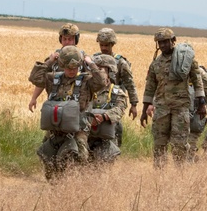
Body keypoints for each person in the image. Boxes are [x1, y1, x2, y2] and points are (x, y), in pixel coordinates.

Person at [30, 46, 106, 180]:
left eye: (75, 67)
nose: (72, 71)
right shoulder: (53, 79)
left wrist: (90, 63)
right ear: (61, 65)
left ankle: (73, 189)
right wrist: (50, 60)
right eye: (68, 67)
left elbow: (101, 81)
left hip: (77, 131)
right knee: (48, 162)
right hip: (55, 131)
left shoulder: (86, 81)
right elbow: (35, 78)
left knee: (78, 161)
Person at [140, 28, 206, 167]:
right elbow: (150, 87)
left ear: (173, 41)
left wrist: (201, 103)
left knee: (180, 143)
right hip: (161, 109)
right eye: (160, 42)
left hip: (180, 108)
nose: (163, 45)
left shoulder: (185, 60)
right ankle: (159, 174)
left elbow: (197, 81)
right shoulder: (155, 64)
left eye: (165, 42)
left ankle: (180, 173)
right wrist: (144, 111)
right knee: (159, 143)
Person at [94, 28, 140, 147]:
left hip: (114, 101)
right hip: (96, 101)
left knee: (116, 129)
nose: (103, 48)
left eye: (107, 45)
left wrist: (133, 104)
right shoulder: (95, 61)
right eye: (101, 45)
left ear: (112, 44)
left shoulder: (120, 63)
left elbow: (130, 84)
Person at [86, 54, 130, 165]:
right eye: (95, 68)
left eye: (101, 69)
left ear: (110, 72)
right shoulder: (85, 90)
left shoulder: (117, 92)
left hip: (107, 138)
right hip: (86, 136)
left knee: (103, 167)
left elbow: (119, 109)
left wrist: (103, 117)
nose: (96, 72)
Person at [187, 64, 207, 161]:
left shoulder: (200, 73)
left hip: (197, 111)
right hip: (178, 110)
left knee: (192, 138)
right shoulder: (173, 69)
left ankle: (190, 161)